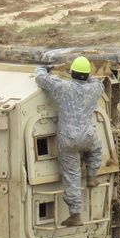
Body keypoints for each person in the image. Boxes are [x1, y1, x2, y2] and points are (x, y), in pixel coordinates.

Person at [34, 57, 105, 227]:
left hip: (68, 137)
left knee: (71, 175)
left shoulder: (62, 87)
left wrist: (44, 68)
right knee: (96, 149)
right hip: (88, 134)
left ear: (72, 72)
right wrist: (88, 77)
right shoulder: (95, 88)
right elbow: (97, 82)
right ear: (86, 74)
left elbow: (41, 78)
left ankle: (75, 215)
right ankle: (92, 176)